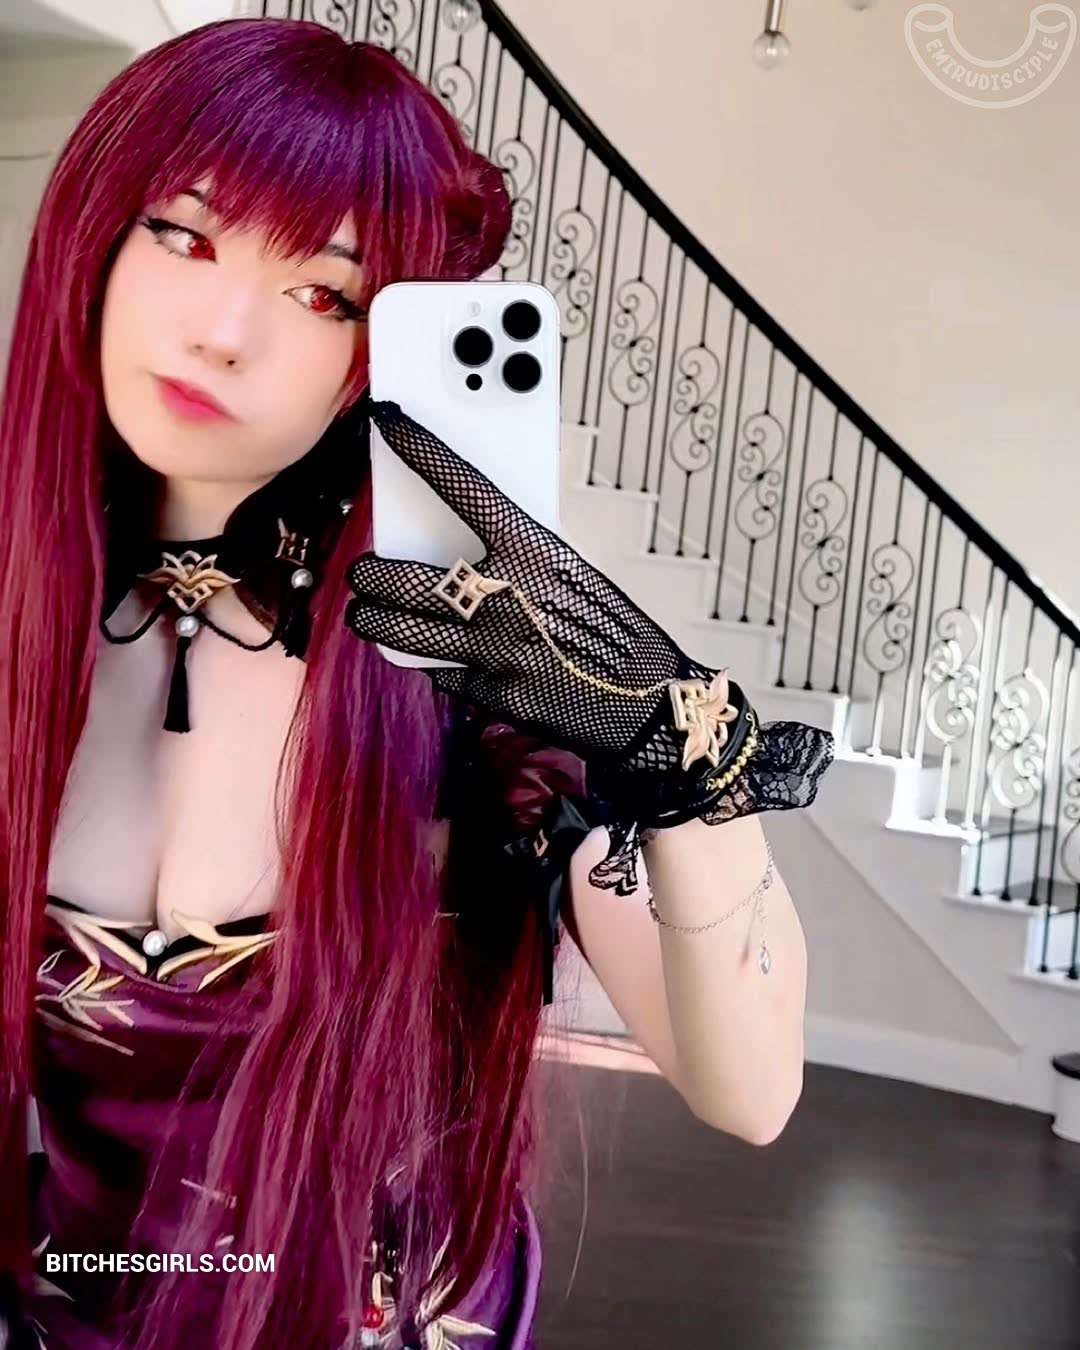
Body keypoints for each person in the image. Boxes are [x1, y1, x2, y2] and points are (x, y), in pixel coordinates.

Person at [0, 17, 832, 1350]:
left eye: (323, 295)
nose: (224, 333)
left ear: (374, 361)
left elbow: (751, 1091)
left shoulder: (457, 688)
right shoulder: (17, 643)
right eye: (182, 235)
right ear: (92, 238)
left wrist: (684, 766)